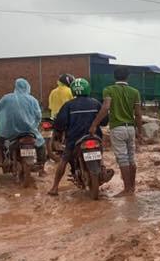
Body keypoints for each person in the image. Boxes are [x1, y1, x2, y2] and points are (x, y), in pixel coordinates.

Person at [47, 78, 113, 196]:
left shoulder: (68, 105)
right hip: (95, 138)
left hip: (74, 140)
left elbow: (60, 124)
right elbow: (104, 122)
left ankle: (55, 187)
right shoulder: (96, 103)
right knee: (100, 156)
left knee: (64, 160)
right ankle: (103, 169)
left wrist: (59, 131)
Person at [89, 66, 142, 197]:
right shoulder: (135, 92)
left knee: (123, 159)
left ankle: (127, 189)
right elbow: (138, 114)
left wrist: (94, 124)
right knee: (131, 158)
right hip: (130, 128)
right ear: (127, 77)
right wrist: (139, 131)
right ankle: (132, 187)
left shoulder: (109, 90)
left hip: (117, 128)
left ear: (114, 77)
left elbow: (106, 107)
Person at [0, 78, 47, 165]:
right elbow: (38, 116)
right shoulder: (33, 100)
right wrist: (34, 126)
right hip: (28, 130)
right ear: (28, 87)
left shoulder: (7, 98)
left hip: (9, 131)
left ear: (16, 87)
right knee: (41, 144)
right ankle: (41, 166)